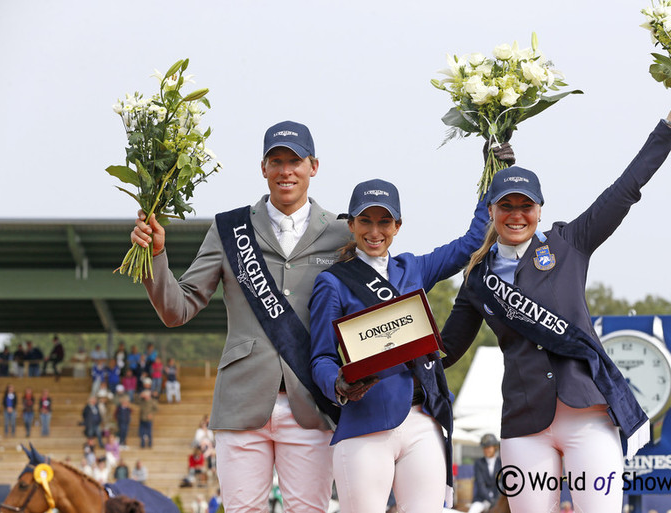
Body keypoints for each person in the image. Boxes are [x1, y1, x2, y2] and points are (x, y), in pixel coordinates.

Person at [440, 82, 671, 513]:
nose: (516, 215)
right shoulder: (476, 279)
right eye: (506, 206)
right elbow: (445, 350)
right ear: (490, 211)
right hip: (525, 424)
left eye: (526, 205)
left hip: (589, 416)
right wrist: (379, 356)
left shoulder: (569, 243)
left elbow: (625, 190)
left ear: (540, 210)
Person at [129, 120, 351, 513]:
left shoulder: (342, 233)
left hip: (312, 403)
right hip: (241, 402)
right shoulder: (230, 229)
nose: (286, 171)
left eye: (295, 161)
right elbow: (177, 310)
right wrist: (155, 256)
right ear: (262, 168)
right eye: (276, 161)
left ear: (313, 167)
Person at [309, 174, 494, 513]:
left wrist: (492, 181)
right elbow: (320, 356)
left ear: (398, 225)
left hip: (424, 419)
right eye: (365, 220)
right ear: (351, 224)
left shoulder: (413, 268)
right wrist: (338, 382)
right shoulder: (332, 283)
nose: (375, 231)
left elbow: (471, 244)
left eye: (384, 221)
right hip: (366, 421)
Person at [467, 434, 502, 513]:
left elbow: (502, 483)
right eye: (484, 447)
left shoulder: (501, 463)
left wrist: (497, 499)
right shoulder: (479, 463)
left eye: (489, 447)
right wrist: (490, 499)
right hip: (482, 499)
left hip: (498, 499)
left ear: (495, 447)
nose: (486, 450)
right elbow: (480, 484)